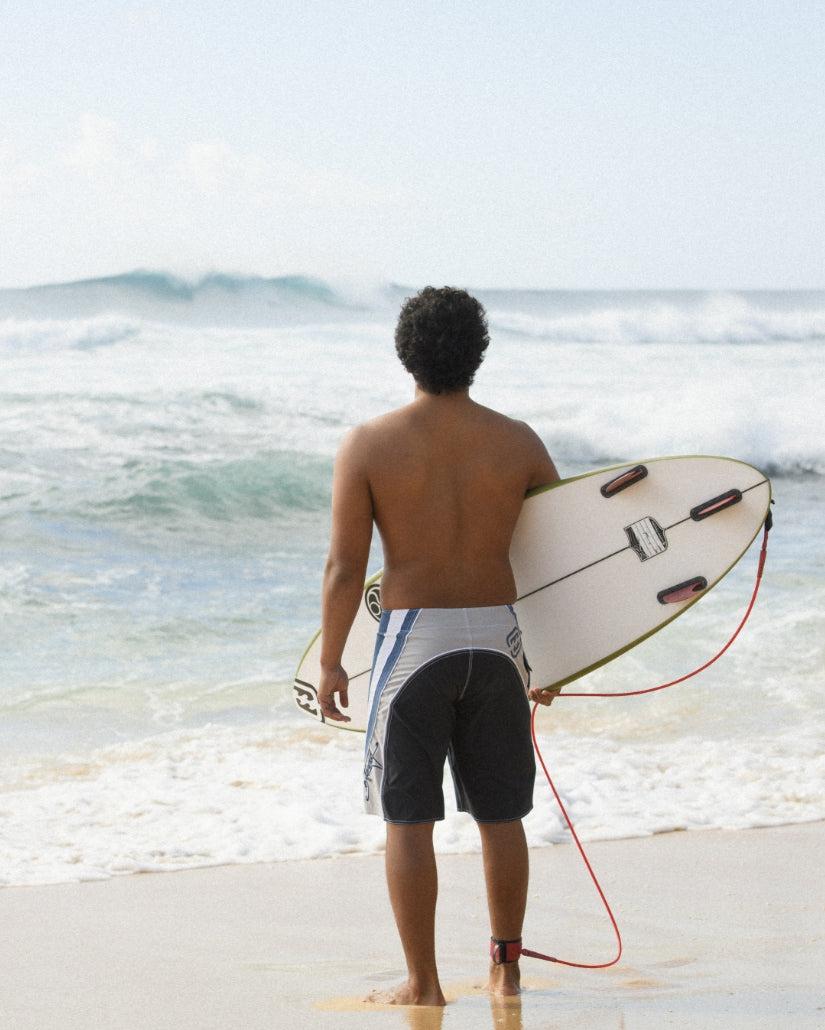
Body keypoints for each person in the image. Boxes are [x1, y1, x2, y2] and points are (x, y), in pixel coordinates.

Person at [317, 286, 560, 1006]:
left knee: (408, 819)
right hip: (498, 643)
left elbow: (345, 568)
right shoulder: (518, 441)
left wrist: (331, 662)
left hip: (414, 645)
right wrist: (555, 656)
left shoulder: (369, 444)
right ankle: (505, 969)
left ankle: (423, 984)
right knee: (501, 815)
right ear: (477, 352)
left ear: (405, 354)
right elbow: (561, 554)